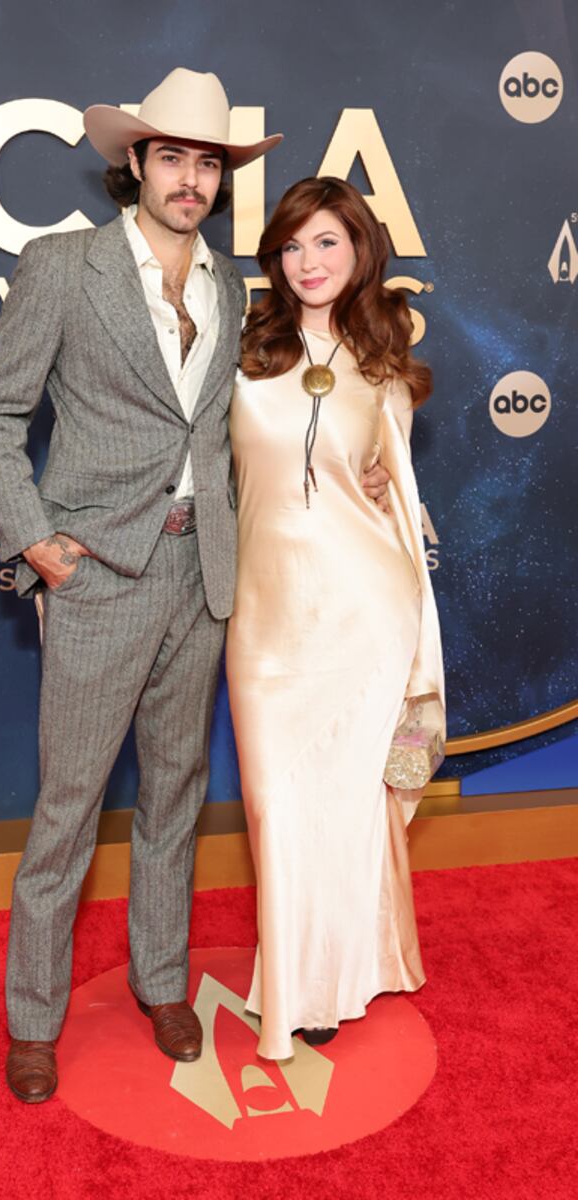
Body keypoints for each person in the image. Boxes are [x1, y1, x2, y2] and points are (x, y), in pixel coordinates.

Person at [0, 71, 386, 1102]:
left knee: (174, 801)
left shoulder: (232, 288)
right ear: (135, 164)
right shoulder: (62, 267)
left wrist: (367, 463)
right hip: (99, 577)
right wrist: (35, 542)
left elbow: (274, 415)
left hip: (204, 577)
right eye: (171, 159)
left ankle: (161, 983)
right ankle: (34, 1021)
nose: (189, 179)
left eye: (206, 163)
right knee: (68, 810)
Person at [226, 177, 446, 1061]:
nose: (308, 262)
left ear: (360, 250)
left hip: (364, 609)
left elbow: (394, 491)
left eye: (326, 242)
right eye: (291, 245)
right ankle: (310, 973)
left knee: (352, 803)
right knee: (278, 804)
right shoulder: (239, 349)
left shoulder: (385, 363)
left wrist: (380, 479)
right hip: (265, 618)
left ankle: (327, 983)